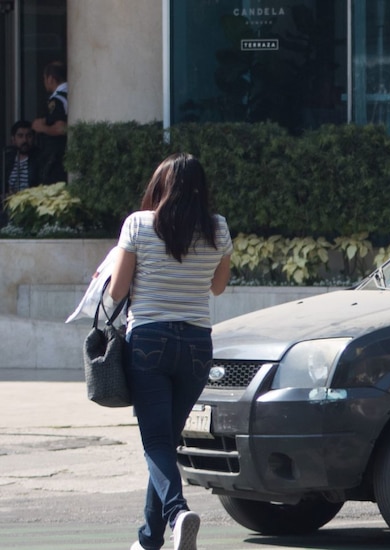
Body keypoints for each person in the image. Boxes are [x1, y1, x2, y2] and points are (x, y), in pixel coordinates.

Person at [106, 153, 233, 550]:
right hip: (197, 344)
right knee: (164, 439)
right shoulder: (218, 228)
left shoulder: (139, 224)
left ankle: (177, 513)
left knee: (156, 442)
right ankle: (149, 540)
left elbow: (117, 291)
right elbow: (217, 287)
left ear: (160, 186)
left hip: (149, 341)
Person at [32, 61, 68, 183]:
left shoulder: (56, 99)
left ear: (51, 78)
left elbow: (62, 128)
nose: (44, 82)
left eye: (44, 78)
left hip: (57, 158)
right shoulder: (71, 94)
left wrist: (41, 127)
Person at [3, 120, 40, 196]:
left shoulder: (40, 159)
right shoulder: (5, 159)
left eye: (29, 136)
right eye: (20, 136)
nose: (25, 140)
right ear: (13, 139)